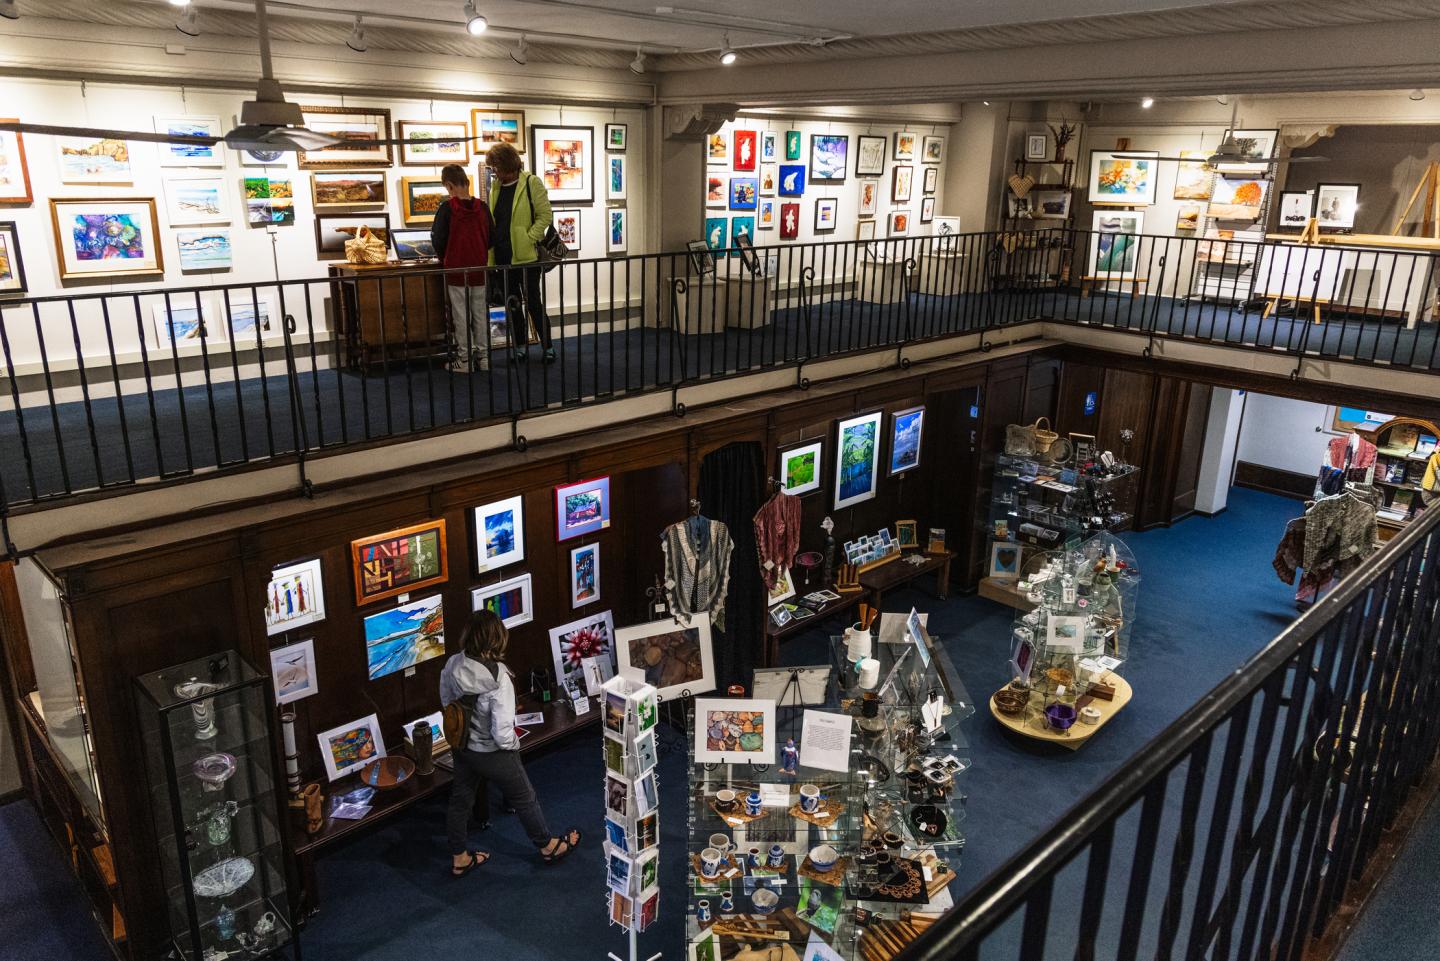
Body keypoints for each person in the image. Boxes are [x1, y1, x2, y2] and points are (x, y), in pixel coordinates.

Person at [440, 609, 581, 875]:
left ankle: (459, 858)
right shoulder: (499, 679)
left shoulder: (453, 664)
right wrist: (514, 748)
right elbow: (502, 732)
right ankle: (548, 846)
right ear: (496, 639)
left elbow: (447, 702)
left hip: (463, 746)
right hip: (493, 753)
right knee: (525, 798)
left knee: (460, 801)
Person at [485, 141, 555, 365]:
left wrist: (528, 238)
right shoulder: (496, 187)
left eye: (495, 166)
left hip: (527, 258)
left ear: (507, 164)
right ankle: (521, 347)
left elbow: (545, 216)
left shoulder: (531, 183)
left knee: (534, 303)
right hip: (503, 256)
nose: (494, 171)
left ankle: (548, 347)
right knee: (512, 305)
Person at [430, 163, 493, 373]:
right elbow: (492, 238)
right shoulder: (482, 208)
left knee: (461, 316)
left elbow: (438, 239)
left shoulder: (447, 209)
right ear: (466, 182)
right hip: (479, 269)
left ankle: (464, 359)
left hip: (456, 270)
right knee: (480, 314)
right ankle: (484, 358)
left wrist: (445, 257)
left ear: (449, 185)